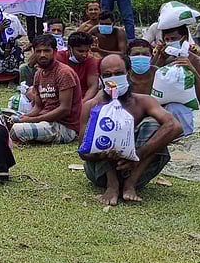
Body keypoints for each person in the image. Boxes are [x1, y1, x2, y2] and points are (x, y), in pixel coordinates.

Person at [78, 54, 182, 205]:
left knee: (154, 124)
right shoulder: (91, 105)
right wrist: (106, 153)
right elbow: (83, 151)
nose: (113, 78)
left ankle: (130, 184)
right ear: (101, 79)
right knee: (103, 125)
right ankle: (112, 185)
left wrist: (137, 155)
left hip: (138, 168)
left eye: (118, 73)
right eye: (107, 75)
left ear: (128, 73)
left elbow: (175, 126)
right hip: (100, 173)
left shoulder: (143, 101)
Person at [11, 34, 82, 145]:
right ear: (33, 52)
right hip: (44, 120)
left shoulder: (64, 73)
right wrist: (25, 117)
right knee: (7, 117)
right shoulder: (39, 73)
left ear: (55, 52)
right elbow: (38, 106)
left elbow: (64, 109)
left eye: (46, 51)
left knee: (17, 130)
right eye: (38, 51)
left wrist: (32, 120)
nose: (42, 55)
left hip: (64, 127)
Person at [56, 31, 101, 101]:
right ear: (70, 48)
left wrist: (82, 103)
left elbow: (93, 86)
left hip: (82, 99)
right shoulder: (58, 58)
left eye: (87, 51)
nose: (84, 55)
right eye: (80, 51)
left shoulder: (90, 60)